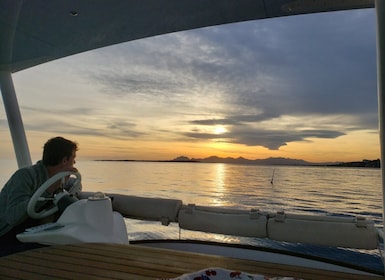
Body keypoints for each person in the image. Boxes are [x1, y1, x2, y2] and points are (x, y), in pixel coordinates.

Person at [0, 136, 78, 256]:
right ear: (64, 160)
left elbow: (74, 185)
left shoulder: (60, 180)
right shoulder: (25, 176)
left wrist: (71, 187)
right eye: (73, 159)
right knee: (53, 250)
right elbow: (12, 217)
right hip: (6, 235)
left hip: (31, 230)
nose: (74, 163)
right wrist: (49, 190)